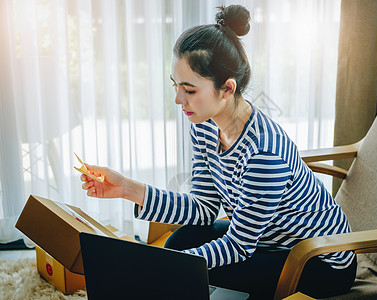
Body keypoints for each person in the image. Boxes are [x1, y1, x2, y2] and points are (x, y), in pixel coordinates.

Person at [80, 5, 356, 299]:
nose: (178, 99)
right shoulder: (204, 124)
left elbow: (239, 246)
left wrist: (170, 267)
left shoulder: (264, 153)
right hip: (264, 238)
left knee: (185, 265)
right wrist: (126, 188)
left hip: (319, 259)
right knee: (178, 245)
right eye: (176, 86)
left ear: (227, 88)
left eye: (190, 89)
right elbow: (203, 208)